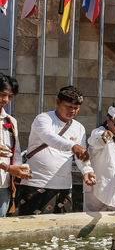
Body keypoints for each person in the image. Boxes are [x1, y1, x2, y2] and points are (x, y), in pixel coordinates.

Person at [20, 86, 96, 215]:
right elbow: (50, 138)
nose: (72, 111)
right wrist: (73, 145)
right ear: (57, 102)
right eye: (68, 106)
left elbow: (80, 155)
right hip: (36, 183)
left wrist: (87, 170)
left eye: (76, 108)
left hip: (64, 186)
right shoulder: (43, 119)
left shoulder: (79, 128)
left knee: (63, 231)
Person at [0, 74, 31, 217]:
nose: (5, 100)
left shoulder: (10, 121)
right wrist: (7, 167)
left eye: (10, 96)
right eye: (1, 94)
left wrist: (18, 169)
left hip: (4, 182)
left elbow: (16, 151)